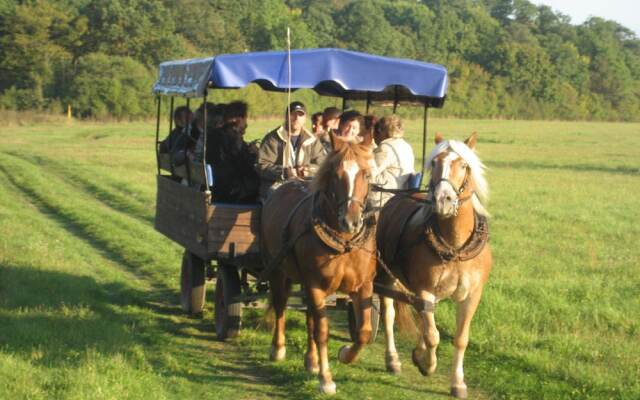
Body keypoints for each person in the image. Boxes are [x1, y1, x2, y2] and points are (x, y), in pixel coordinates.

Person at [256, 101, 327, 202]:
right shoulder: (273, 138)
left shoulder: (313, 141)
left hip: (305, 186)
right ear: (286, 116)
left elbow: (322, 166)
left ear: (305, 118)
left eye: (300, 115)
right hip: (277, 186)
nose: (297, 118)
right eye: (293, 114)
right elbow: (261, 165)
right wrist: (284, 172)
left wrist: (308, 170)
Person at [206, 101, 260, 203]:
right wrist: (256, 154)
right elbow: (245, 166)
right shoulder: (234, 138)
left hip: (217, 184)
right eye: (245, 118)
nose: (245, 122)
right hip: (231, 189)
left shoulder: (214, 133)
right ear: (239, 119)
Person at [370, 115, 415, 207]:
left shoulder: (385, 148)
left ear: (381, 131)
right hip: (401, 192)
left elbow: (370, 173)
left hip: (382, 196)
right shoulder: (406, 146)